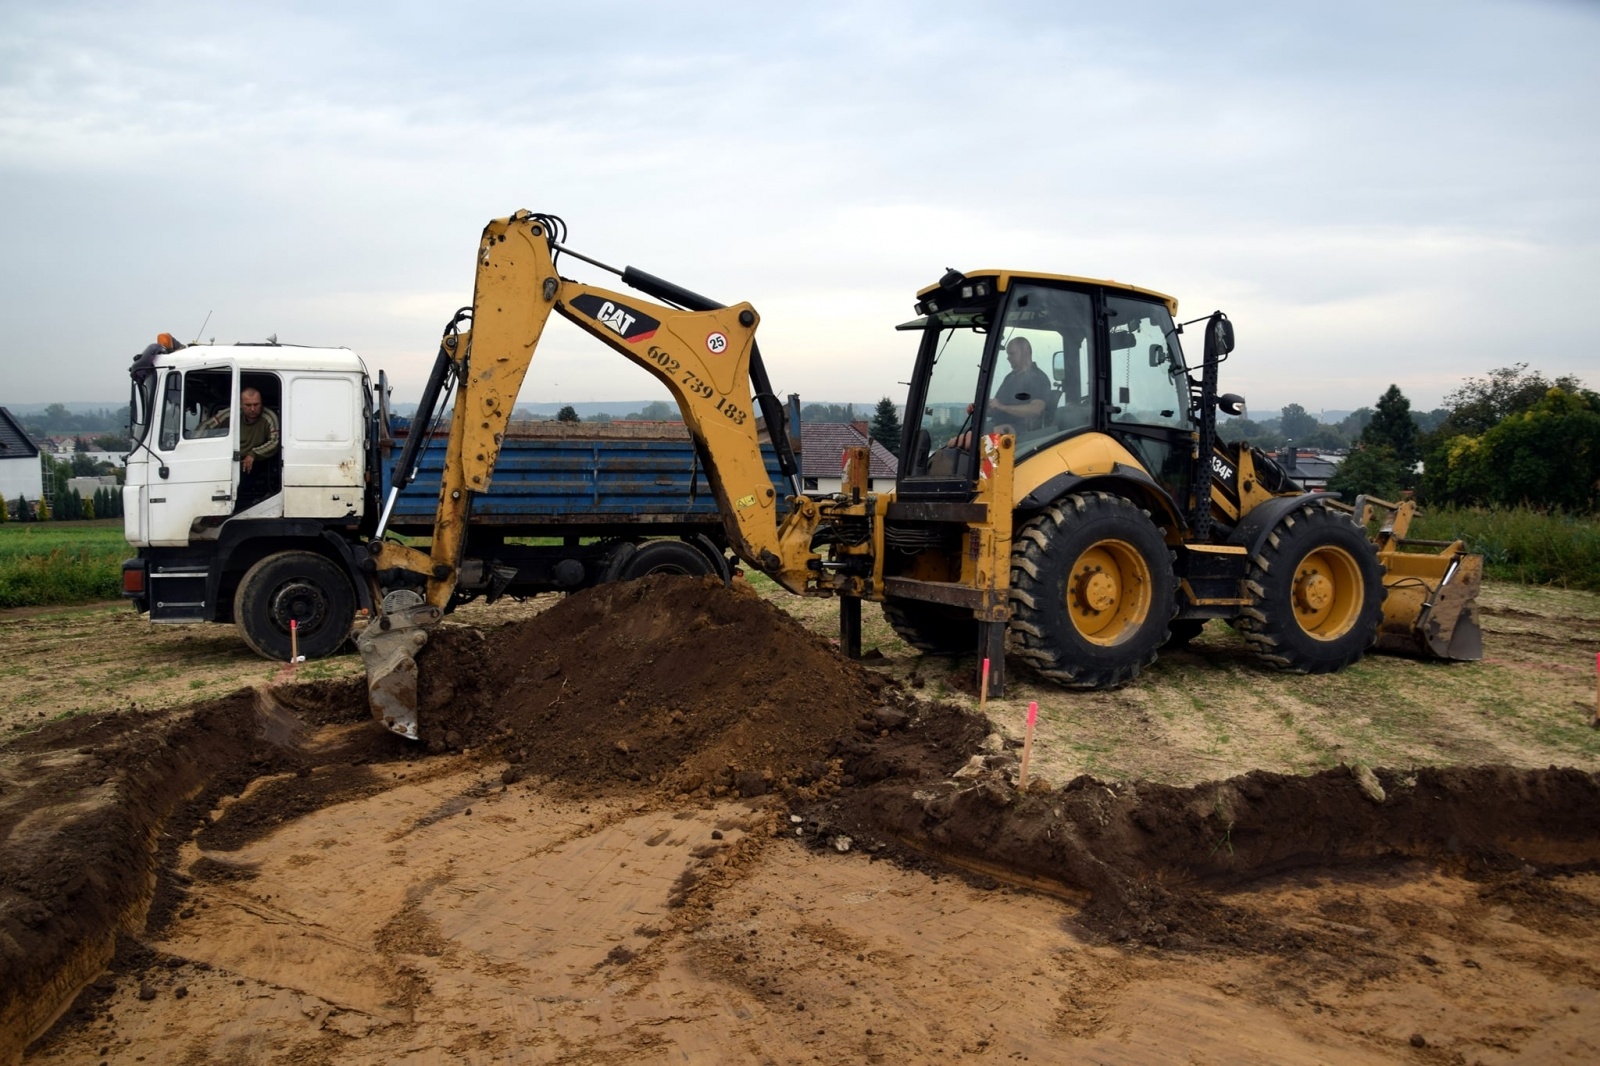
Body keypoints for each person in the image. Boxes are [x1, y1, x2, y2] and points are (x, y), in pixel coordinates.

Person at [203, 387, 280, 505]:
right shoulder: (231, 413)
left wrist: (254, 454)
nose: (253, 409)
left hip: (256, 461)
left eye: (256, 404)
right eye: (248, 405)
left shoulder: (269, 417)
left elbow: (275, 442)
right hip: (230, 458)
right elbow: (206, 427)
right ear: (240, 405)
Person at [990, 337, 1051, 431]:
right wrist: (979, 409)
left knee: (976, 439)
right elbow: (997, 406)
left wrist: (1002, 407)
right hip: (997, 427)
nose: (1008, 358)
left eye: (1012, 354)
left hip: (1018, 432)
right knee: (967, 435)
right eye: (1008, 354)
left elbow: (1036, 409)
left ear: (1026, 352)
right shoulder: (1009, 378)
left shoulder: (1038, 378)